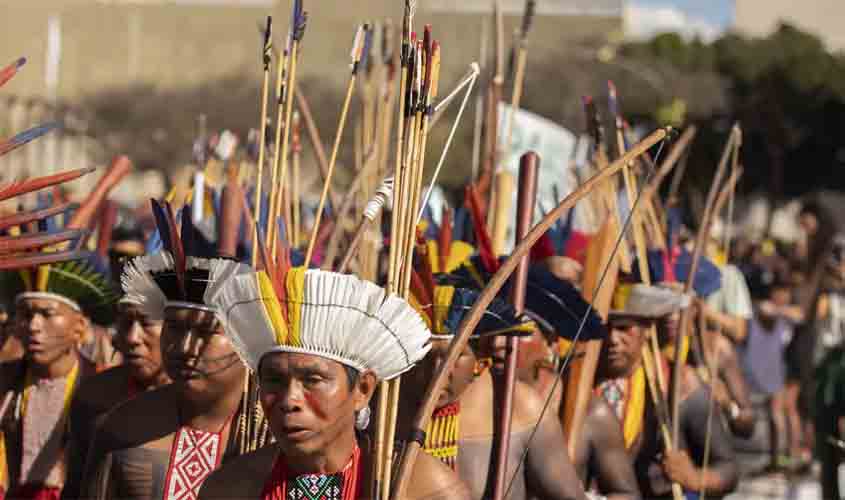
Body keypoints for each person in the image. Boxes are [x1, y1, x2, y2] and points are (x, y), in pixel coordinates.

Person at [198, 264, 471, 500]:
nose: (289, 400)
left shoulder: (423, 488)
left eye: (312, 380)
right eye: (275, 380)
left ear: (362, 390)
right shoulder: (230, 488)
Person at [82, 204, 253, 500]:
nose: (185, 348)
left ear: (247, 340)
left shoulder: (282, 437)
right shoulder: (120, 428)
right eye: (174, 327)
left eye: (205, 332)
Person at [401, 281, 588, 500]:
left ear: (480, 362)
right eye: (425, 354)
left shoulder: (519, 406)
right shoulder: (386, 404)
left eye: (455, 355)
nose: (437, 370)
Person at [596, 283, 738, 499]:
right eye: (604, 328)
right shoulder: (579, 383)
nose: (613, 339)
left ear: (647, 330)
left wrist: (693, 477)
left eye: (624, 328)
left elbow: (728, 470)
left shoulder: (680, 384)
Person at [0, 253, 119, 499]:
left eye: (47, 314)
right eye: (26, 314)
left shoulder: (105, 392)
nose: (34, 325)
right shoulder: (5, 383)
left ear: (80, 327)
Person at [61, 297, 170, 500]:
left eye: (146, 323)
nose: (132, 337)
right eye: (126, 323)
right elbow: (76, 487)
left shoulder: (205, 399)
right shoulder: (93, 397)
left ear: (177, 330)